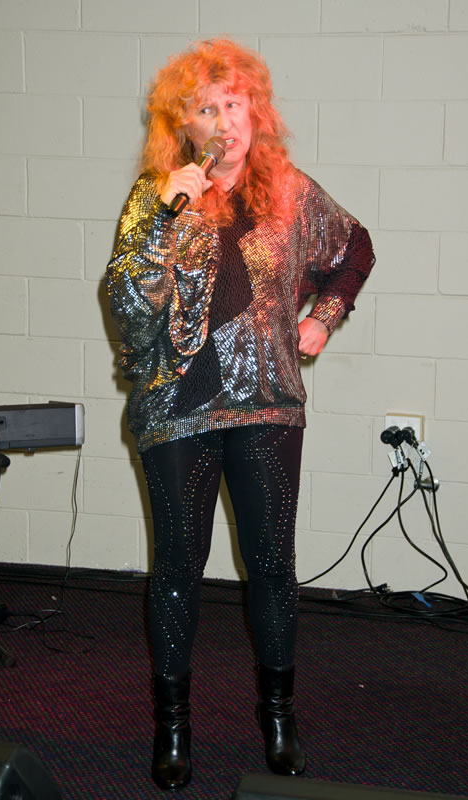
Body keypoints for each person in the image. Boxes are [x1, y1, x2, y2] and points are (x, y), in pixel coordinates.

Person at [106, 38, 375, 791]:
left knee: (272, 567)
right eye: (205, 108)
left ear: (255, 112)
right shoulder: (155, 198)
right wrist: (162, 221)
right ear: (183, 125)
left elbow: (354, 246)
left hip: (267, 407)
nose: (223, 120)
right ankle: (172, 727)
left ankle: (279, 719)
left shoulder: (290, 193)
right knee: (176, 568)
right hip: (176, 410)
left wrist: (324, 316)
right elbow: (128, 313)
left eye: (234, 103)